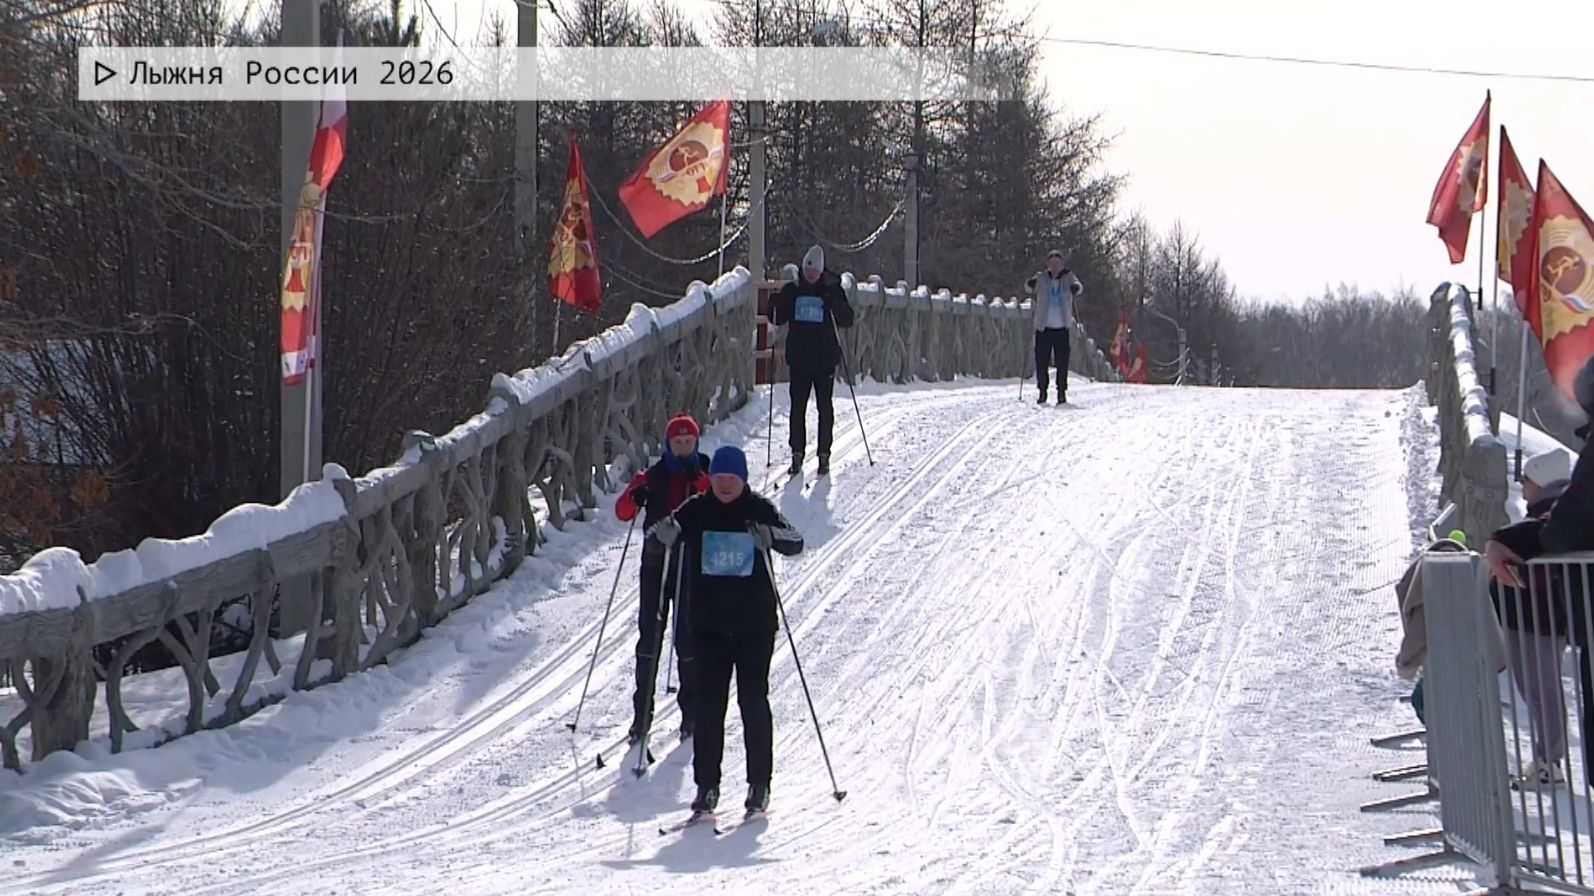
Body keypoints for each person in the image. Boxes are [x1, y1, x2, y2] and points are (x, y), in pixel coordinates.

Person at [649, 445, 804, 815]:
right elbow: (659, 536)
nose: (724, 485)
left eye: (731, 479)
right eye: (718, 478)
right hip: (709, 627)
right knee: (708, 707)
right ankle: (707, 786)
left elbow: (795, 542)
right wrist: (665, 533)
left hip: (754, 627)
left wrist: (769, 536)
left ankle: (759, 783)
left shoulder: (759, 509)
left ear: (743, 479)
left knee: (752, 702)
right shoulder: (697, 509)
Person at [1486, 355, 1594, 782]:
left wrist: (1514, 540)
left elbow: (1569, 527)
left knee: (1542, 688)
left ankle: (1550, 761)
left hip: (1552, 621)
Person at [614, 413, 711, 743]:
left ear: (696, 442)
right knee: (649, 637)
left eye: (688, 442)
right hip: (656, 564)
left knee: (688, 638)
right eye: (677, 442)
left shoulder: (706, 471)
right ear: (668, 444)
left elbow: (718, 502)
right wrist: (635, 495)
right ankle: (641, 716)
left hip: (690, 564)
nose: (683, 449)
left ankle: (692, 715)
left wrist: (699, 482)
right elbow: (622, 512)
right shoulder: (653, 476)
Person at [771, 245, 855, 476]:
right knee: (797, 408)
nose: (810, 274)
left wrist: (834, 300)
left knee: (824, 408)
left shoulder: (831, 289)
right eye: (808, 269)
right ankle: (797, 454)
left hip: (824, 359)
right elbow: (777, 317)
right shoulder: (794, 289)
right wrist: (775, 304)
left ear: (821, 271)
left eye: (815, 271)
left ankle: (824, 455)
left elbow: (847, 319)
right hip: (799, 359)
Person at [1395, 530, 1469, 724]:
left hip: (1441, 663)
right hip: (1467, 661)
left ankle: (1440, 737)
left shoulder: (1428, 589)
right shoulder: (1468, 578)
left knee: (1421, 699)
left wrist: (1405, 664)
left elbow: (1417, 634)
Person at [1023, 249, 1084, 404]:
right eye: (1052, 263)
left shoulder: (1068, 276)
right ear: (1048, 264)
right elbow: (1029, 288)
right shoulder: (1041, 277)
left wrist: (1075, 288)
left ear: (1062, 264)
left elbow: (1078, 286)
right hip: (1043, 326)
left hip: (1062, 326)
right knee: (1041, 359)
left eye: (1058, 263)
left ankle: (1061, 392)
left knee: (1062, 361)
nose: (1055, 266)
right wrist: (1030, 284)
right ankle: (1042, 390)